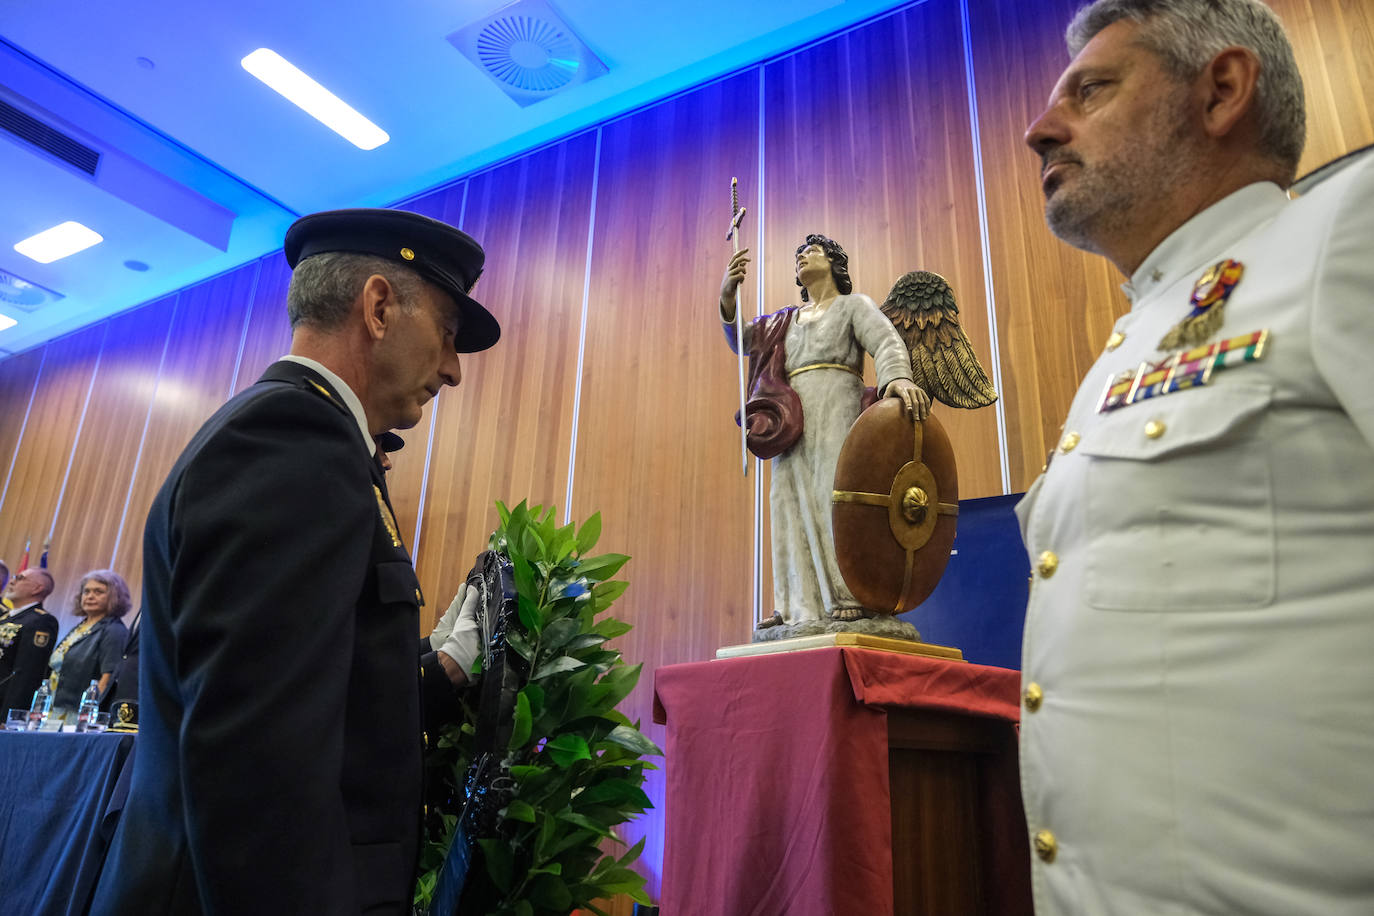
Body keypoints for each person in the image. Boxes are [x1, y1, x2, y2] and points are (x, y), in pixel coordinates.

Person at [1017, 1, 1374, 913]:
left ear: (1221, 91)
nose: (1039, 128)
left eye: (1091, 90)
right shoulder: (1128, 346)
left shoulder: (1345, 229)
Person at [90, 208, 498, 916]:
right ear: (378, 308)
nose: (453, 370)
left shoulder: (307, 439)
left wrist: (438, 667)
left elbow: (323, 692)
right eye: (446, 333)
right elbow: (257, 768)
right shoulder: (293, 438)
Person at [720, 235, 929, 623]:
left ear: (834, 263)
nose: (802, 257)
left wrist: (897, 378)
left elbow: (886, 342)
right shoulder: (785, 320)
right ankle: (797, 606)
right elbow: (742, 340)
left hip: (837, 404)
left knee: (832, 495)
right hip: (791, 416)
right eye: (798, 254)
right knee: (786, 502)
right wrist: (728, 295)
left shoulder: (853, 306)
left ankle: (849, 592)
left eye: (811, 252)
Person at [45, 569, 131, 718]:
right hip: (53, 704)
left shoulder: (114, 630)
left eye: (98, 592)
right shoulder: (81, 627)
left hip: (78, 712)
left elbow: (108, 677)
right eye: (86, 591)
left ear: (114, 597)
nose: (90, 596)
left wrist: (88, 712)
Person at [0, 567, 57, 713]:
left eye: (19, 578)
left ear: (37, 588)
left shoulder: (41, 621)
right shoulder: (5, 618)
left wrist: (10, 715)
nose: (11, 582)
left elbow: (27, 673)